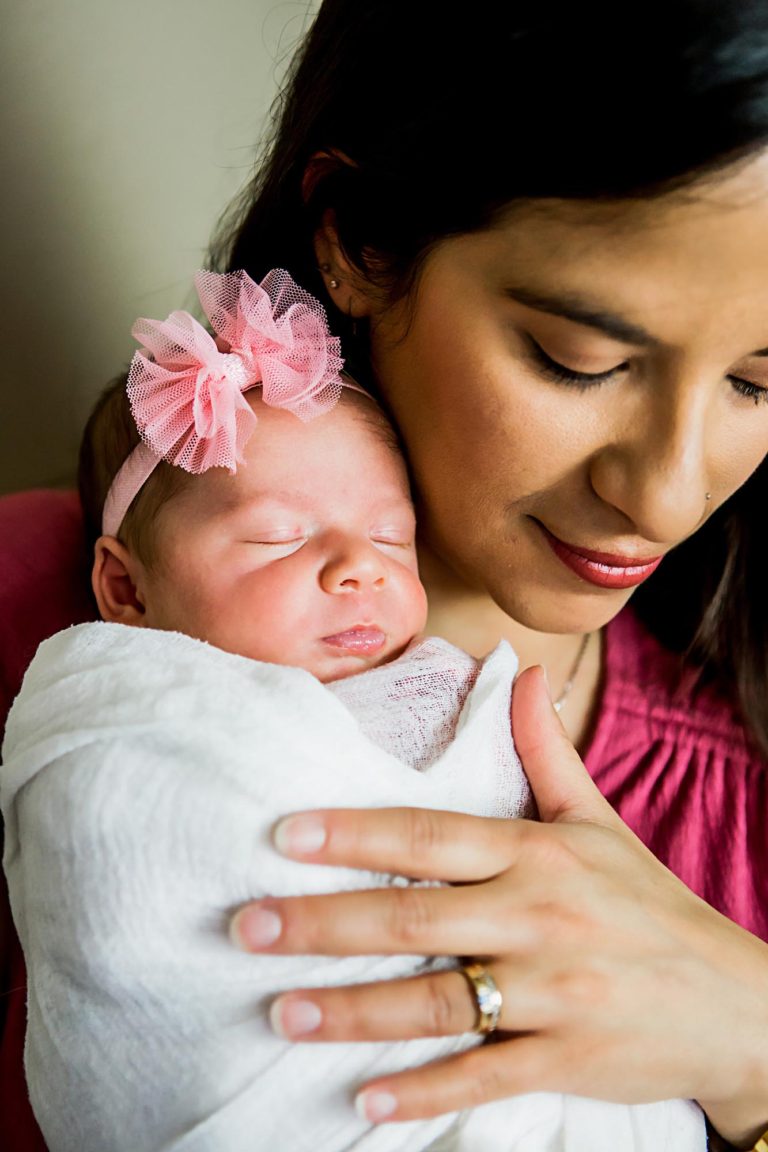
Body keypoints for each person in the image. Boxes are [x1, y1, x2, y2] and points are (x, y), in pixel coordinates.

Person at [187, 2, 768, 1150]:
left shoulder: (742, 791)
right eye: (578, 360)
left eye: (760, 384)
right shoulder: (36, 634)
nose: (664, 496)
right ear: (359, 240)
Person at [3, 267, 705, 1149]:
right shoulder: (122, 715)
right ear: (124, 590)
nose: (359, 568)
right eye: (276, 538)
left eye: (389, 535)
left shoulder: (480, 704)